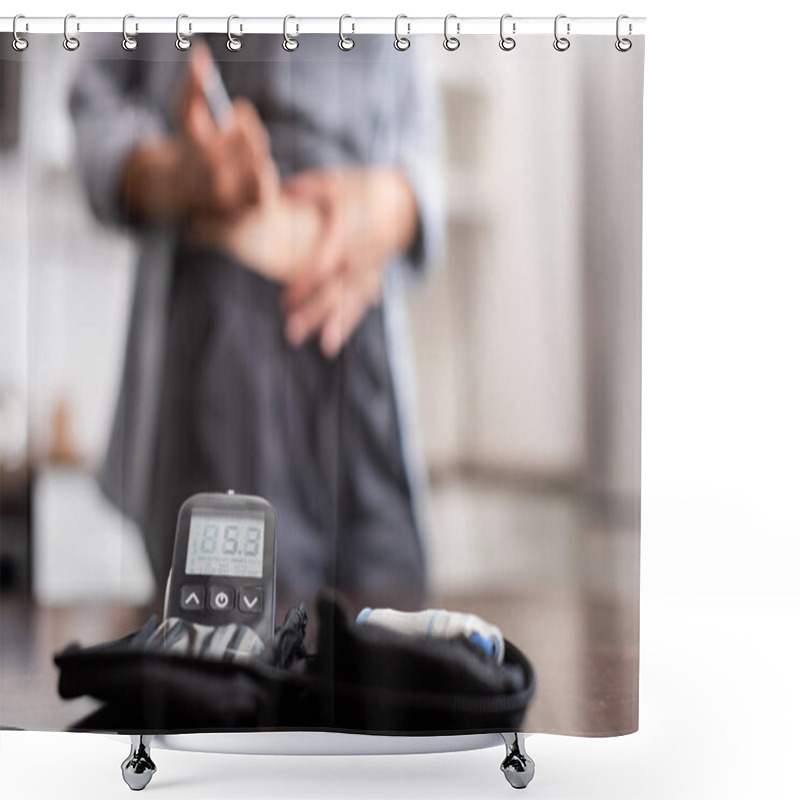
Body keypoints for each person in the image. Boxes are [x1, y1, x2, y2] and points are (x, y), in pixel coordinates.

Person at [70, 33, 442, 616]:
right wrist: (176, 175)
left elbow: (421, 136)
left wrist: (396, 204)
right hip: (220, 347)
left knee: (391, 650)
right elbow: (95, 106)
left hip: (358, 345)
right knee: (219, 649)